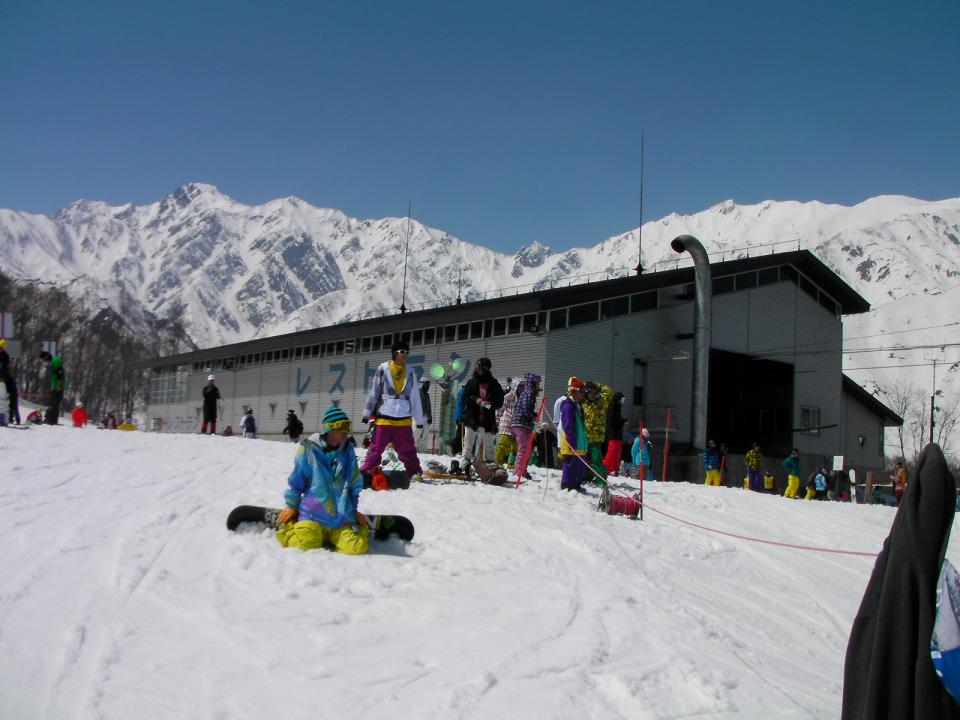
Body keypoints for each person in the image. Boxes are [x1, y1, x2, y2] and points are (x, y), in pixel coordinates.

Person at [275, 405, 368, 555]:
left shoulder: (348, 451)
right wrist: (292, 506)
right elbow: (297, 481)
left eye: (348, 426)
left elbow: (353, 483)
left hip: (340, 518)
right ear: (329, 428)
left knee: (357, 548)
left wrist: (354, 510)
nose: (346, 431)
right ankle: (289, 525)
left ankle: (354, 529)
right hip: (313, 514)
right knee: (305, 543)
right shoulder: (309, 450)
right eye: (342, 426)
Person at [361, 339, 424, 481]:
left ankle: (414, 471)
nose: (405, 354)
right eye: (402, 351)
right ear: (395, 353)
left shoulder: (411, 372)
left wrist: (419, 420)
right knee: (376, 447)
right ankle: (368, 469)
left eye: (407, 352)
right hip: (385, 418)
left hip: (403, 420)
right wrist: (367, 413)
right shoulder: (383, 369)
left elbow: (415, 397)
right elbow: (374, 392)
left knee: (407, 449)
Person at [460, 357, 504, 469]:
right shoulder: (472, 382)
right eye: (477, 367)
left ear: (485, 369)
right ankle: (465, 463)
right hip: (472, 418)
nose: (477, 369)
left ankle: (491, 464)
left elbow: (499, 401)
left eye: (479, 367)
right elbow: (464, 397)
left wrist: (489, 404)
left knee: (489, 444)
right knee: (468, 442)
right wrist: (475, 400)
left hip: (487, 419)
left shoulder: (493, 383)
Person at [559, 377, 589, 491]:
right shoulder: (568, 406)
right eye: (581, 391)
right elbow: (568, 425)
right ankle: (567, 485)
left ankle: (576, 485)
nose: (583, 394)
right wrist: (571, 442)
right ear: (574, 391)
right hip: (571, 443)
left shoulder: (577, 406)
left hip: (580, 444)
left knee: (580, 466)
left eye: (584, 391)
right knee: (571, 465)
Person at [511, 373, 542, 480]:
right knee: (524, 449)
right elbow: (525, 408)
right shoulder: (528, 393)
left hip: (524, 424)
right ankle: (519, 471)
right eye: (537, 383)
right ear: (532, 383)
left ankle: (522, 470)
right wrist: (532, 416)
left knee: (527, 449)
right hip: (521, 423)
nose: (539, 385)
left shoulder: (529, 393)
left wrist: (533, 415)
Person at [582, 381, 613, 485]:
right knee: (585, 459)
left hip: (596, 438)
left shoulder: (601, 402)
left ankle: (601, 480)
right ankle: (586, 477)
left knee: (596, 459)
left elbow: (608, 391)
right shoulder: (583, 404)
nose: (592, 395)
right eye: (590, 392)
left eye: (594, 392)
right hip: (584, 437)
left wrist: (597, 385)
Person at [495, 378, 519, 467]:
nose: (521, 389)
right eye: (519, 387)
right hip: (506, 423)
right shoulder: (508, 396)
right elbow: (500, 409)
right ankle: (498, 463)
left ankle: (512, 464)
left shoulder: (522, 398)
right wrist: (497, 419)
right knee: (503, 444)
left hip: (517, 425)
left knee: (516, 446)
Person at [38, 350, 65, 425]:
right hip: (54, 385)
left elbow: (60, 373)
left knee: (53, 403)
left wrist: (59, 384)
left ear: (46, 358)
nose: (44, 362)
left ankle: (50, 419)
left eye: (43, 360)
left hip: (58, 386)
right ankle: (52, 420)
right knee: (54, 403)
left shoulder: (55, 361)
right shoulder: (53, 361)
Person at [603, 392, 627, 475]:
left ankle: (613, 469)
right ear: (618, 399)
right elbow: (612, 420)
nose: (622, 402)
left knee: (617, 452)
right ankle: (605, 467)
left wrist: (622, 420)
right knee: (612, 451)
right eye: (622, 400)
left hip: (617, 434)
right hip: (613, 433)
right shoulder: (612, 407)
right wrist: (622, 421)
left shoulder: (617, 408)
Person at [0, 338, 21, 424]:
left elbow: (3, 369)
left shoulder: (5, 356)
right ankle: (9, 417)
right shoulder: (5, 356)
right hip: (4, 380)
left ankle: (10, 417)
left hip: (4, 380)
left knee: (10, 398)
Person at [416, 377, 434, 452]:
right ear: (422, 384)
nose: (428, 386)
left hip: (426, 417)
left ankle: (422, 449)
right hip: (418, 417)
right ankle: (415, 448)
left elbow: (429, 407)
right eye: (427, 384)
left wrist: (430, 417)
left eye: (428, 385)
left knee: (426, 434)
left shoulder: (427, 395)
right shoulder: (417, 393)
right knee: (417, 433)